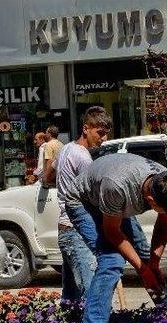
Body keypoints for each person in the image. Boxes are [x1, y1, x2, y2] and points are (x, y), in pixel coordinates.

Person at [64, 153, 167, 323]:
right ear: (152, 202)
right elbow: (112, 233)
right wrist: (142, 269)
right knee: (111, 260)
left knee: (145, 258)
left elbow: (162, 224)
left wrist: (153, 263)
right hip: (84, 201)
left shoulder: (165, 182)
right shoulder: (117, 186)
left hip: (113, 202)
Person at [44, 107, 110, 303]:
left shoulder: (66, 149)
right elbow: (94, 198)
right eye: (100, 133)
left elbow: (47, 176)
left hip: (65, 230)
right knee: (92, 294)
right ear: (86, 129)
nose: (103, 139)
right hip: (77, 231)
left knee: (71, 296)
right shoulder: (83, 157)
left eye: (106, 134)